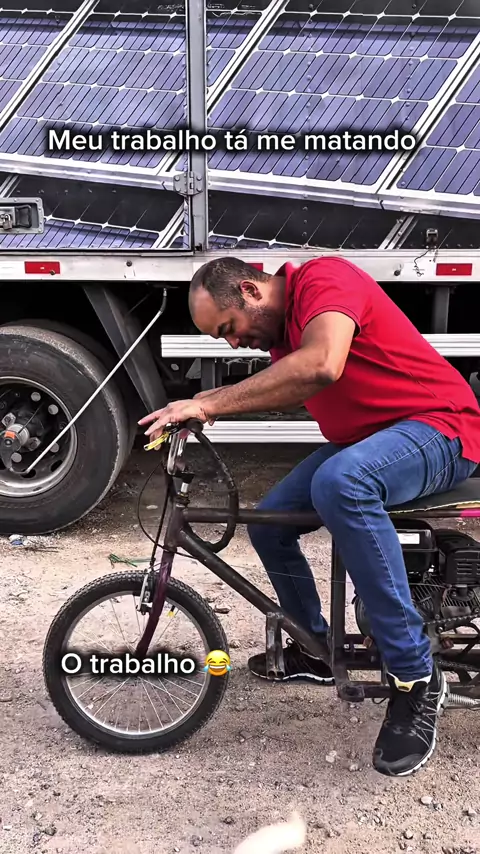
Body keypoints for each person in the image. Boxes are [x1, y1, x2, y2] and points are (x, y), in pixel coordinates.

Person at [139, 256, 480, 778]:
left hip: (439, 428)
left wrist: (211, 405)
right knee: (269, 522)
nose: (234, 344)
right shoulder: (281, 336)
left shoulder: (325, 280)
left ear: (251, 290)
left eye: (228, 329)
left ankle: (415, 675)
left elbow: (321, 364)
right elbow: (285, 380)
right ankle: (315, 647)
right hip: (373, 437)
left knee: (341, 484)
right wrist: (200, 401)